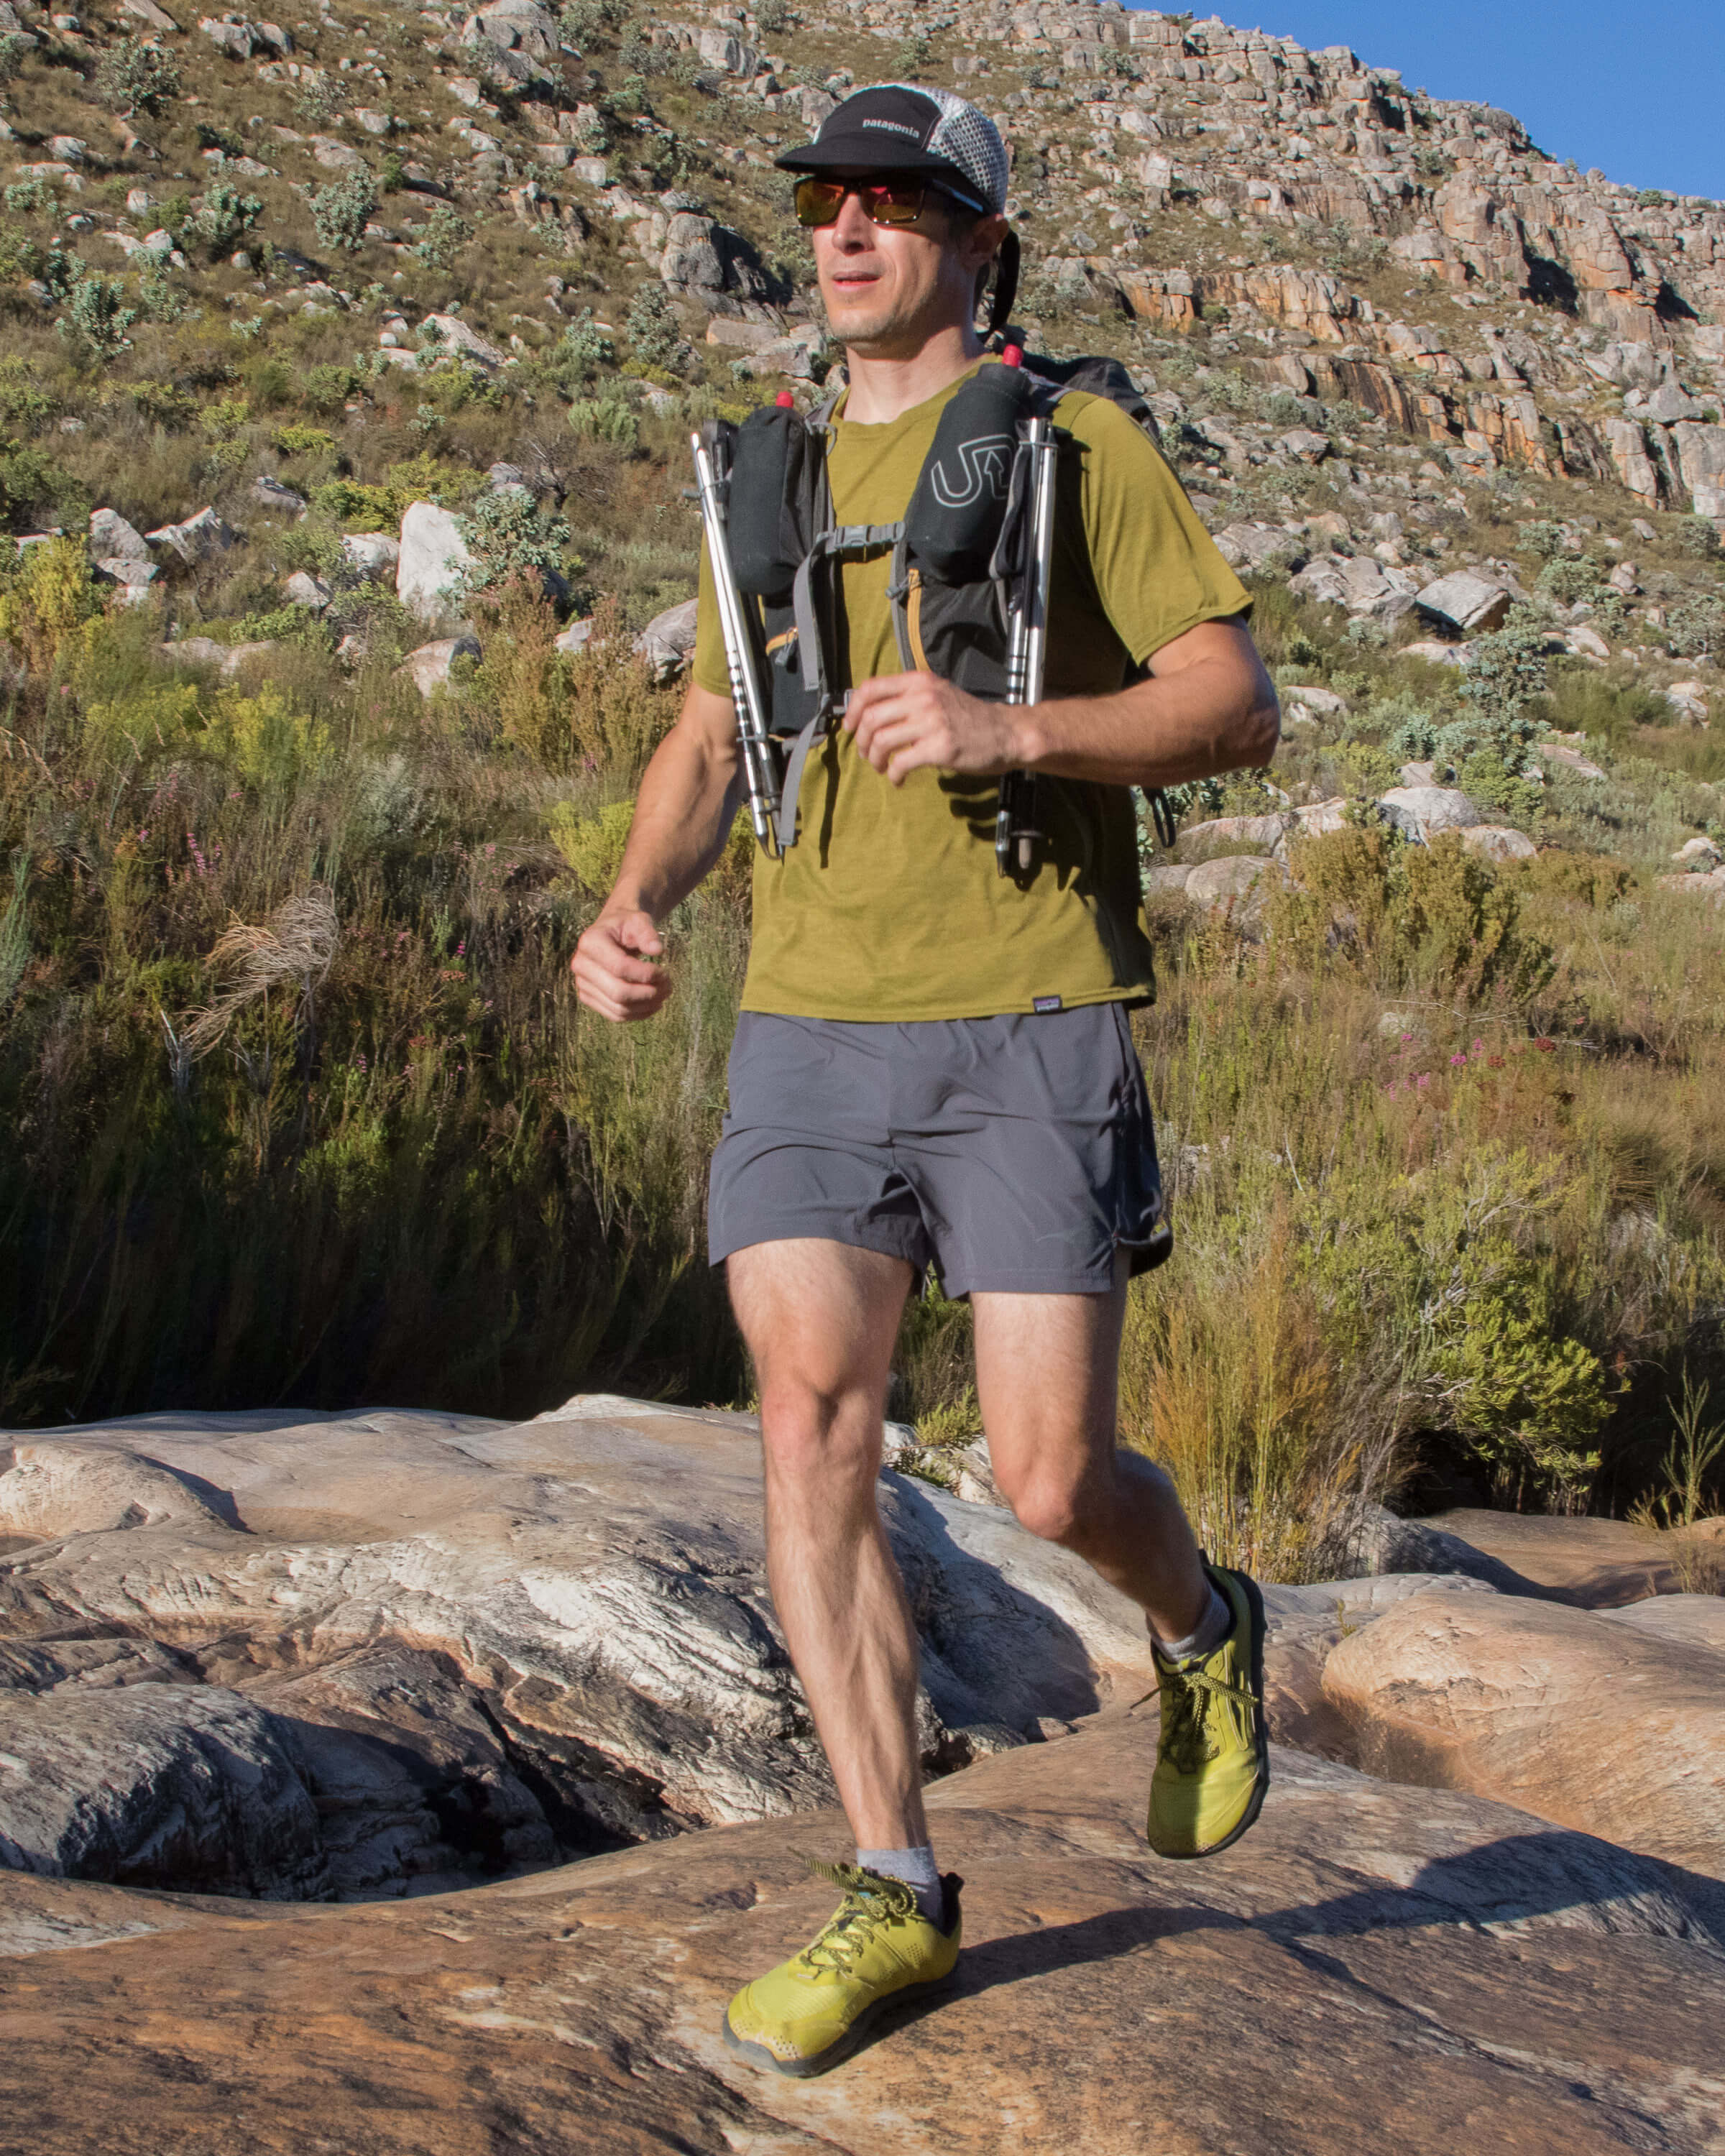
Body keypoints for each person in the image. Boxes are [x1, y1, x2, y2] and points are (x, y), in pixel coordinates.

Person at [573, 82, 1281, 2080]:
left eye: (898, 200)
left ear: (980, 243)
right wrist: (632, 903)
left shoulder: (1080, 445)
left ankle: (1205, 1621)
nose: (849, 228)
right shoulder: (765, 479)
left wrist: (1011, 730)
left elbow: (1236, 700)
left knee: (1054, 1475)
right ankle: (894, 1882)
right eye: (827, 199)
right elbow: (715, 740)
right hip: (808, 1019)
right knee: (811, 1422)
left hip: (1032, 1010)